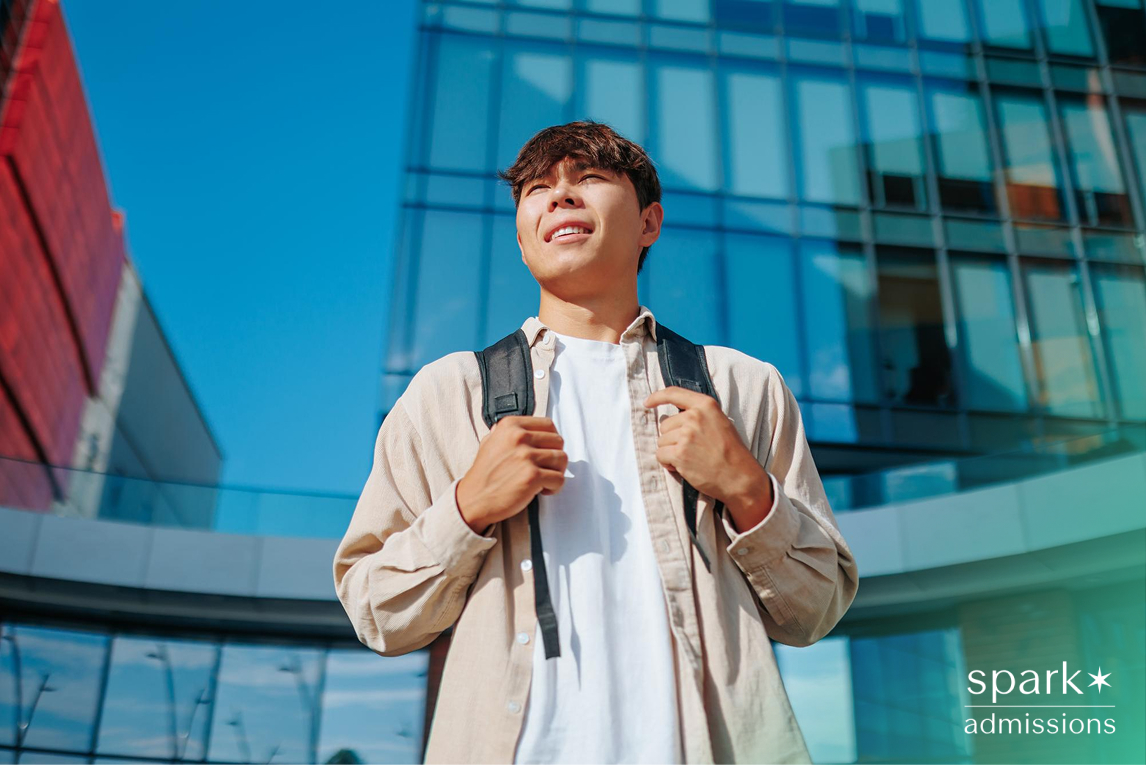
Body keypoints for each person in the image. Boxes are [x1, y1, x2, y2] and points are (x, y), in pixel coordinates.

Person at [333, 121, 859, 764]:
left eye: (589, 179)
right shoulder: (448, 394)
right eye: (537, 189)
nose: (559, 196)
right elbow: (377, 612)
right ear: (523, 240)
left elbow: (816, 607)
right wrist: (466, 509)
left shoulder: (742, 386)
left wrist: (748, 489)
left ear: (649, 223)